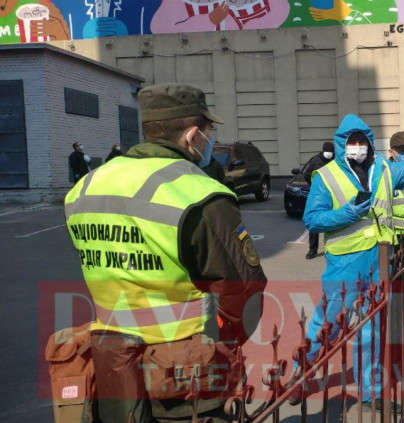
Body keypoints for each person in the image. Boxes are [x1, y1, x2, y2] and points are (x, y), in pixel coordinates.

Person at [64, 84, 267, 423]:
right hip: (183, 378)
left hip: (111, 363)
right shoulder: (199, 193)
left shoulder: (86, 187)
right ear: (192, 135)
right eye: (209, 131)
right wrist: (224, 351)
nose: (210, 139)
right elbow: (244, 292)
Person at [298, 114, 404, 409]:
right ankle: (300, 374)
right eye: (352, 141)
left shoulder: (383, 168)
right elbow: (312, 219)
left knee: (371, 329)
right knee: (328, 325)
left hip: (379, 261)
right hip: (345, 265)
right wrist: (346, 213)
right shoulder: (326, 176)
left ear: (370, 143)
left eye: (362, 141)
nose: (358, 146)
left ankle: (370, 393)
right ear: (343, 144)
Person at [302, 141, 335, 259]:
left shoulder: (336, 160)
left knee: (333, 220)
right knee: (315, 221)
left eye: (331, 152)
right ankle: (312, 250)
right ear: (323, 151)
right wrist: (314, 185)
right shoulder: (315, 160)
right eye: (327, 151)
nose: (329, 154)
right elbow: (306, 173)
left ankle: (332, 247)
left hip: (332, 193)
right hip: (318, 194)